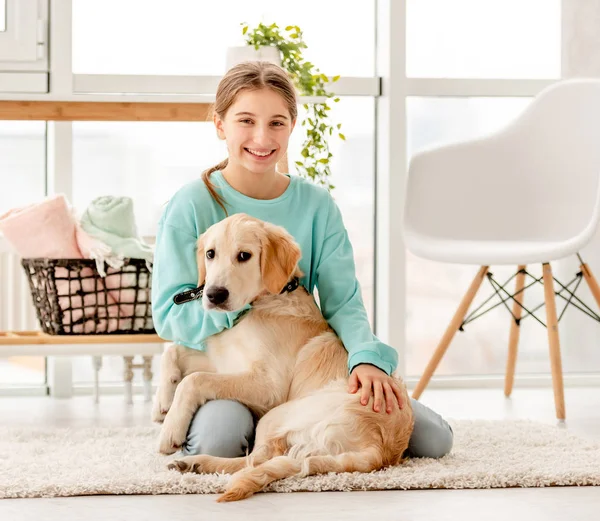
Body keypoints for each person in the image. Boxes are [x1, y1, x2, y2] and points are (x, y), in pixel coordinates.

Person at [151, 61, 453, 460]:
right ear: (220, 125)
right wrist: (236, 300)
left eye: (276, 122)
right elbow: (170, 313)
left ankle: (289, 426)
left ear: (292, 126)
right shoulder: (191, 203)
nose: (262, 137)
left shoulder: (316, 205)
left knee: (433, 440)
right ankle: (272, 429)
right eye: (246, 121)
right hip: (234, 370)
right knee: (220, 442)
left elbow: (342, 301)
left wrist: (366, 360)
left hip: (304, 373)